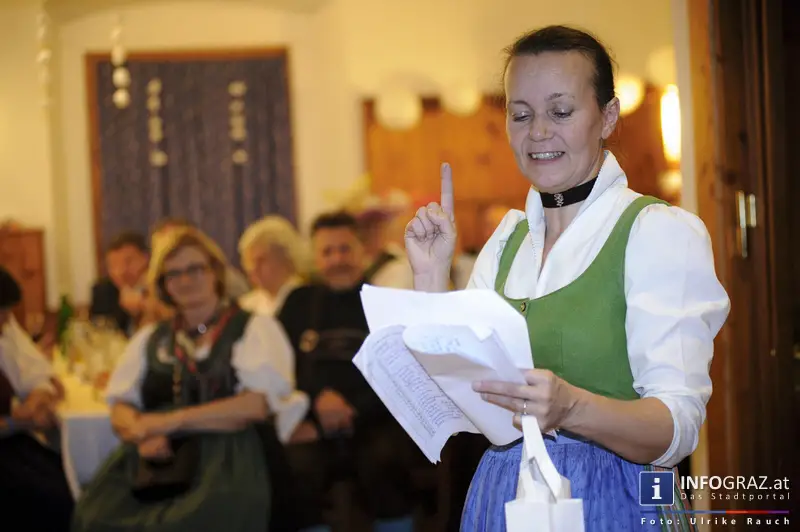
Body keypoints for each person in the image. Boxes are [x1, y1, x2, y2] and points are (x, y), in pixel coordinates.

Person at [404, 25, 730, 531]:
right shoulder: (507, 242)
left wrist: (573, 407)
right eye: (521, 114)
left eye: (560, 112)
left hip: (618, 497)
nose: (538, 132)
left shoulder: (656, 232)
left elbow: (677, 428)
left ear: (608, 116)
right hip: (504, 494)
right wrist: (431, 277)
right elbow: (459, 403)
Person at [72, 227, 301, 532]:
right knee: (94, 516)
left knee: (195, 520)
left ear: (215, 273)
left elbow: (255, 406)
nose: (185, 280)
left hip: (231, 459)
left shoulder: (253, 328)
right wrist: (141, 432)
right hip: (157, 461)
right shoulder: (152, 338)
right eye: (174, 273)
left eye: (195, 269)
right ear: (163, 285)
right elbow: (120, 406)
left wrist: (168, 422)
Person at [278, 211, 424, 532]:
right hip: (310, 420)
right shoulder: (297, 303)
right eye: (327, 252)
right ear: (314, 257)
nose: (337, 260)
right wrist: (315, 402)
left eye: (345, 249)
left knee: (386, 463)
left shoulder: (384, 304)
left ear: (362, 250)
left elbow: (400, 373)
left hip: (374, 419)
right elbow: (281, 366)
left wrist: (353, 409)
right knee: (295, 470)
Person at [0, 267, 73, 532]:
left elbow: (40, 375)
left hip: (12, 443)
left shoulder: (5, 331)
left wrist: (36, 401)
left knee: (66, 471)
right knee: (52, 498)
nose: (7, 321)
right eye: (2, 313)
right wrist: (22, 422)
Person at [238, 215, 307, 316]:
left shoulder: (305, 299)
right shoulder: (247, 306)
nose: (254, 268)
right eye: (250, 262)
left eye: (261, 260)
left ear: (285, 259)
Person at [90, 231, 154, 336]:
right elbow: (100, 333)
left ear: (146, 258)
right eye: (114, 265)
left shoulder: (161, 287)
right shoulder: (103, 291)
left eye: (128, 262)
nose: (121, 271)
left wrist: (143, 306)